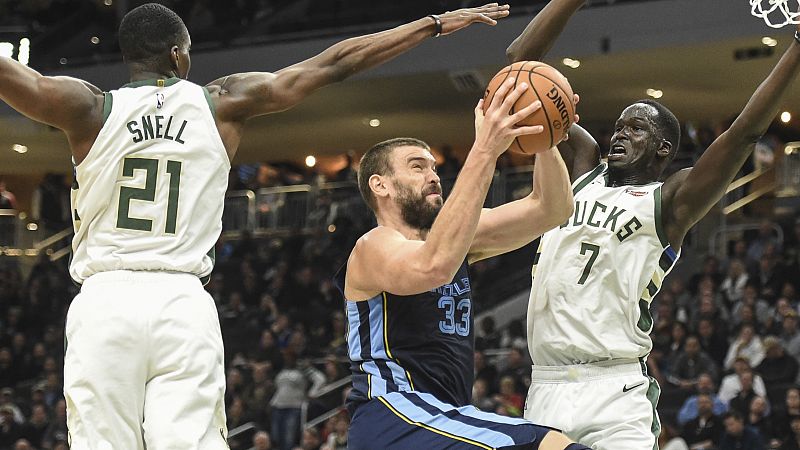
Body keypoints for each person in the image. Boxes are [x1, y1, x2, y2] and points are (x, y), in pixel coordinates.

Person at [0, 2, 512, 447]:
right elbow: (335, 63)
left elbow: (15, 78)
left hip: (105, 298)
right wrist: (434, 23)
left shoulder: (89, 107)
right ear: (180, 55)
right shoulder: (222, 102)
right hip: (182, 302)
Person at [505, 1, 800, 448]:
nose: (620, 133)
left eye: (637, 129)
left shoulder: (672, 199)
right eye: (619, 126)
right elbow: (518, 69)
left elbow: (744, 133)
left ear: (664, 149)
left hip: (615, 391)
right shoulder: (581, 167)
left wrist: (798, 44)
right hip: (544, 387)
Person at [340, 78, 584, 449]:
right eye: (417, 167)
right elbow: (432, 266)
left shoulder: (457, 241)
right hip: (392, 415)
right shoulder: (373, 247)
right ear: (381, 185)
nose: (433, 176)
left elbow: (552, 208)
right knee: (553, 445)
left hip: (441, 418)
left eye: (435, 167)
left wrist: (541, 138)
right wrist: (485, 148)